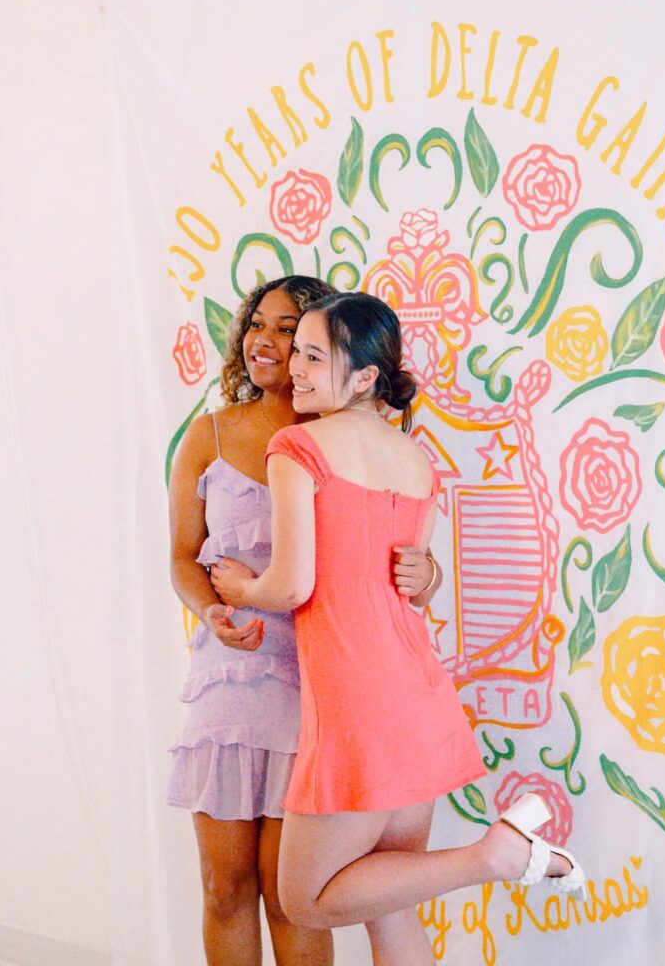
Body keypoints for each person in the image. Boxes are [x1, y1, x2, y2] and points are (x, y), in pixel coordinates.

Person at [210, 291, 585, 966]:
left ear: (362, 378)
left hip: (357, 703)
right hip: (415, 693)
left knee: (305, 898)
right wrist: (430, 577)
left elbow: (292, 584)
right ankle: (487, 856)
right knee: (391, 911)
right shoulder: (416, 461)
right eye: (296, 351)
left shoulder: (295, 444)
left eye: (313, 355)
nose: (295, 366)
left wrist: (241, 588)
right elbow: (406, 580)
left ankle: (489, 856)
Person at [167, 277, 442, 966]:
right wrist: (213, 610)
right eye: (256, 324)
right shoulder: (209, 435)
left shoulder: (340, 442)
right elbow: (180, 558)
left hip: (320, 686)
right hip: (229, 681)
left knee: (294, 895)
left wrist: (429, 576)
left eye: (290, 332)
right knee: (224, 887)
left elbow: (394, 564)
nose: (266, 342)